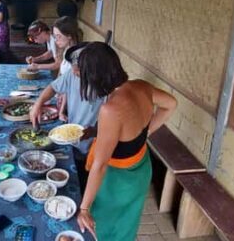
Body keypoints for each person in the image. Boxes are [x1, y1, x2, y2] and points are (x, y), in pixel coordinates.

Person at [74, 42, 178, 241]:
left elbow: (100, 165)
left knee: (104, 228)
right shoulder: (142, 86)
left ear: (95, 76)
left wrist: (84, 208)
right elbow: (171, 104)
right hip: (140, 169)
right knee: (126, 225)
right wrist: (143, 133)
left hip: (118, 181)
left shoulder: (111, 109)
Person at [29, 42, 103, 190]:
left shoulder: (105, 86)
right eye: (74, 70)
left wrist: (94, 131)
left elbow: (112, 125)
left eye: (78, 72)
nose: (75, 74)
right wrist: (38, 104)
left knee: (87, 176)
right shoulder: (72, 74)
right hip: (73, 137)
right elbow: (53, 87)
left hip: (94, 143)